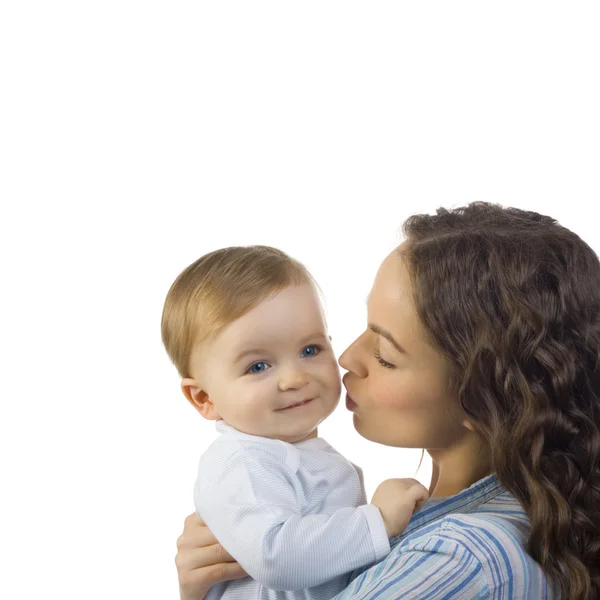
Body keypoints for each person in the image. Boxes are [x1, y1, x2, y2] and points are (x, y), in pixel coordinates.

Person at [174, 202, 600, 600]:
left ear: (481, 397)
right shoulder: (529, 517)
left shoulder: (458, 560)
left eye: (385, 355)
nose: (345, 359)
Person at [161, 246, 429, 599]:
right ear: (204, 398)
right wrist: (377, 521)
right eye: (257, 366)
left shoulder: (295, 454)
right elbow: (275, 556)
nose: (294, 378)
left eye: (310, 350)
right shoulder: (241, 462)